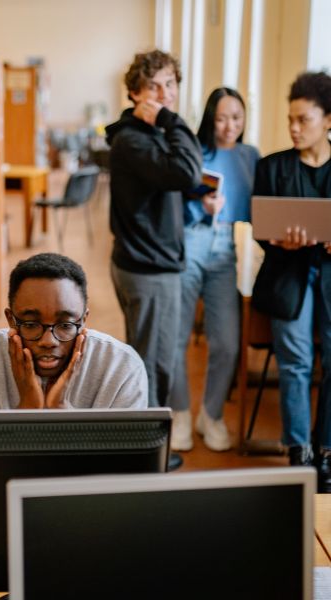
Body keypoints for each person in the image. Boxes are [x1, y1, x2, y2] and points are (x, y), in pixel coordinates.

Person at [106, 50, 202, 469]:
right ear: (134, 94)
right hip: (149, 267)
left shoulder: (139, 137)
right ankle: (148, 457)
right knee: (154, 363)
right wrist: (170, 121)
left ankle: (142, 449)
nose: (165, 95)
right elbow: (185, 172)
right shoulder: (133, 138)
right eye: (155, 87)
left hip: (145, 260)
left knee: (149, 357)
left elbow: (176, 179)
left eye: (171, 85)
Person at [251, 71, 331, 490]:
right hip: (289, 278)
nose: (295, 128)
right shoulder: (272, 167)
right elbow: (261, 228)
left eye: (304, 119)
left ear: (329, 120)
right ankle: (299, 450)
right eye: (290, 120)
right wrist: (282, 241)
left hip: (330, 279)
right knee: (296, 365)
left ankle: (328, 450)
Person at [169, 88, 260, 452]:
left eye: (236, 118)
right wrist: (198, 205)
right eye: (222, 118)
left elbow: (259, 204)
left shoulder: (250, 156)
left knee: (226, 341)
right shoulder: (193, 150)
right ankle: (179, 413)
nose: (229, 126)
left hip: (226, 246)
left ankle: (211, 414)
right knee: (176, 337)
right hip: (190, 240)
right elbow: (172, 198)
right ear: (210, 118)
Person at [0, 253, 148, 410]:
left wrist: (61, 410)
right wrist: (27, 408)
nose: (48, 341)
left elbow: (125, 462)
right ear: (11, 320)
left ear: (84, 320)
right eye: (30, 324)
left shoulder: (122, 367)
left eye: (66, 326)